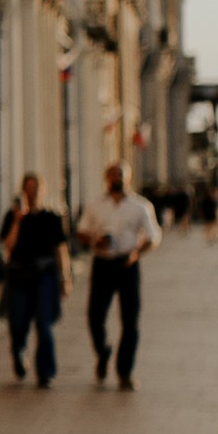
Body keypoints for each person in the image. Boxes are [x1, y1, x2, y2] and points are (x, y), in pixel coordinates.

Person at [77, 159, 161, 388]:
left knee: (130, 321)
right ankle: (103, 353)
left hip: (127, 265)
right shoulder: (95, 205)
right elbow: (82, 232)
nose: (118, 179)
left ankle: (125, 372)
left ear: (129, 178)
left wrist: (136, 253)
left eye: (122, 175)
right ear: (107, 178)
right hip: (102, 263)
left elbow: (153, 237)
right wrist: (95, 239)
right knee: (95, 317)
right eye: (114, 175)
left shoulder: (140, 206)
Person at [0, 172, 69, 387]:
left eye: (37, 188)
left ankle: (46, 372)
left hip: (44, 275)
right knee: (18, 324)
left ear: (43, 191)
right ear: (23, 191)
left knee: (44, 324)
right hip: (19, 274)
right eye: (29, 188)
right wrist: (18, 221)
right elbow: (8, 247)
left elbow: (61, 249)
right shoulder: (13, 217)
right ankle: (19, 354)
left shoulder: (51, 217)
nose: (33, 192)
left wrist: (65, 277)